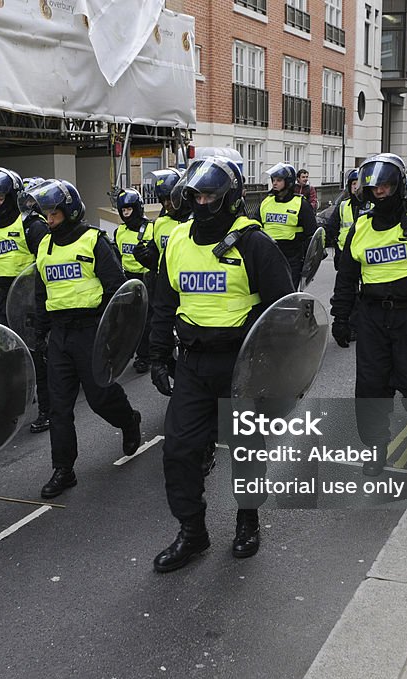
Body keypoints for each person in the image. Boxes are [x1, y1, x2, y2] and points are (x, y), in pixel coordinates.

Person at [148, 156, 294, 572]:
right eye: (196, 194)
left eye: (211, 194)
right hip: (192, 364)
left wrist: (275, 372)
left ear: (230, 198)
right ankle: (192, 532)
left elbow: (282, 312)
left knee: (246, 450)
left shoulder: (254, 243)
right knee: (178, 450)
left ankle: (247, 519)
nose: (202, 201)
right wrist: (159, 354)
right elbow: (163, 303)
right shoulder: (175, 241)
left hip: (241, 364)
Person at [330, 154, 407, 476]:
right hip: (372, 318)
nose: (380, 192)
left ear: (398, 186)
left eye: (386, 186)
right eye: (374, 187)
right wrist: (341, 317)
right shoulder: (360, 227)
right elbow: (346, 278)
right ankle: (376, 448)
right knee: (371, 387)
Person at [27, 179, 142, 499]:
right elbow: (40, 292)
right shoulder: (44, 247)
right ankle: (63, 469)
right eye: (46, 214)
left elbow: (116, 289)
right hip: (60, 334)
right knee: (59, 407)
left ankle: (129, 420)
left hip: (91, 330)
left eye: (54, 214)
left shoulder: (94, 241)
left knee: (99, 396)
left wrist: (113, 334)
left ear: (70, 211)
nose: (48, 220)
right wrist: (41, 331)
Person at [0, 168, 52, 433]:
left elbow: (47, 264)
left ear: (12, 195)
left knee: (35, 355)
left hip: (27, 298)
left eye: (1, 195)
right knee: (5, 358)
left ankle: (47, 410)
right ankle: (13, 404)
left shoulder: (31, 225)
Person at [113, 187, 154, 373]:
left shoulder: (151, 229)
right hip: (127, 279)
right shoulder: (119, 231)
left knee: (146, 321)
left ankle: (145, 356)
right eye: (123, 211)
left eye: (129, 209)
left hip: (146, 279)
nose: (126, 214)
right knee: (127, 321)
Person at [258, 162, 318, 288]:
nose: (274, 183)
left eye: (279, 180)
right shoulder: (266, 202)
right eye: (273, 180)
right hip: (268, 255)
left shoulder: (301, 204)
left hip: (291, 257)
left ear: (288, 182)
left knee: (288, 294)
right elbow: (255, 225)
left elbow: (312, 233)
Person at [326, 168, 363, 270]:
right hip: (344, 252)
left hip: (363, 254)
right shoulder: (343, 205)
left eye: (359, 184)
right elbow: (331, 226)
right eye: (354, 184)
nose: (356, 187)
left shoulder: (371, 206)